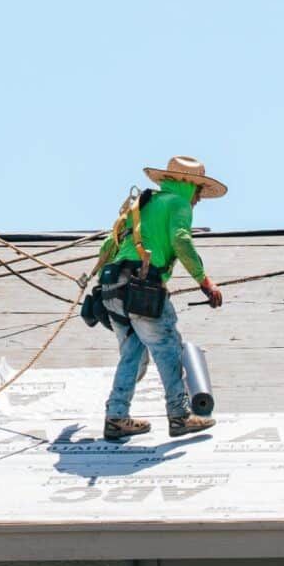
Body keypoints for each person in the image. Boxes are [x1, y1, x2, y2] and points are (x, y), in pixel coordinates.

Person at [96, 156, 225, 440]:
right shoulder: (177, 204)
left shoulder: (140, 204)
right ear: (188, 184)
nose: (199, 199)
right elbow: (181, 240)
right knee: (168, 349)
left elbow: (108, 245)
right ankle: (179, 415)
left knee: (133, 352)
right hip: (143, 288)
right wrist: (205, 282)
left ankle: (116, 416)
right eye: (199, 190)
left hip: (111, 288)